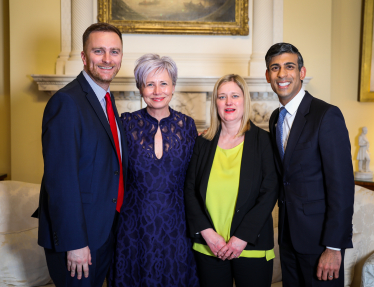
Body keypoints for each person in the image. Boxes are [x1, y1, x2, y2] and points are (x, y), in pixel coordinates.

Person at [37, 23, 127, 287]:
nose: (108, 59)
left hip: (103, 230)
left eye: (115, 51)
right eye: (99, 51)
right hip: (77, 241)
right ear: (84, 56)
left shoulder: (106, 101)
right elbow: (60, 180)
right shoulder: (67, 102)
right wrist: (75, 243)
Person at [266, 42, 355, 287]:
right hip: (288, 240)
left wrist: (334, 247)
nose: (282, 74)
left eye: (289, 66)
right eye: (275, 68)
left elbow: (342, 187)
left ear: (302, 72)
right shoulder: (275, 118)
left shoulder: (326, 115)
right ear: (267, 76)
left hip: (321, 243)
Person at [108, 54, 199, 286]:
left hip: (177, 226)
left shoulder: (187, 126)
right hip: (134, 226)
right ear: (140, 88)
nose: (157, 90)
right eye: (150, 84)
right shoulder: (125, 123)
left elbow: (196, 178)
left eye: (163, 83)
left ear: (173, 87)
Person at [184, 74, 278, 287]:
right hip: (209, 247)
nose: (228, 102)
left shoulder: (264, 142)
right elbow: (189, 190)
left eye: (235, 95)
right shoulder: (203, 143)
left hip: (251, 246)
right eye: (222, 96)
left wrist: (241, 237)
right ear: (215, 102)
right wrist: (207, 234)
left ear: (245, 100)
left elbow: (269, 192)